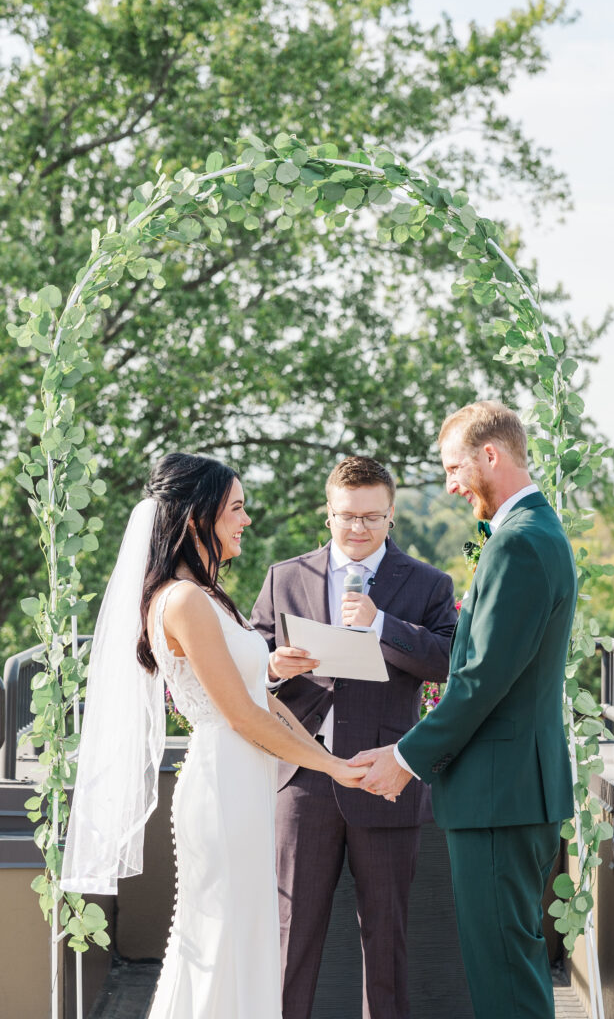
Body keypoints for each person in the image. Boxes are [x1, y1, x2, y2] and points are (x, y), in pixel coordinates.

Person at [61, 452, 366, 1019]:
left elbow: (263, 700)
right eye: (236, 508)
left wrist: (329, 756)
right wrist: (332, 769)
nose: (247, 520)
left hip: (245, 778)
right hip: (224, 781)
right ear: (198, 517)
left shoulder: (206, 597)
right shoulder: (182, 601)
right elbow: (244, 718)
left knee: (247, 929)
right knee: (222, 930)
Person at [353, 402, 576, 1019]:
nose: (450, 484)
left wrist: (405, 758)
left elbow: (481, 682)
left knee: (504, 976)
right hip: (509, 793)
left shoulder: (520, 545)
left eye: (454, 467)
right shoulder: (536, 532)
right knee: (509, 965)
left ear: (490, 455)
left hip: (499, 797)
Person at [250, 455, 458, 1019]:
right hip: (303, 779)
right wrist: (274, 666)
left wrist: (382, 624)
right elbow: (247, 665)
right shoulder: (284, 577)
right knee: (290, 936)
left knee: (385, 943)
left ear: (392, 516)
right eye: (347, 516)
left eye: (372, 517)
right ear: (328, 514)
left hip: (382, 776)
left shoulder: (429, 584)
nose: (358, 528)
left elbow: (448, 662)